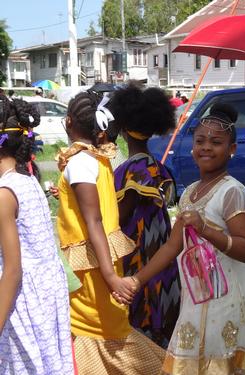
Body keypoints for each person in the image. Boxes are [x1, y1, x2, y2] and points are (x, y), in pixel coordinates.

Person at [116, 103, 245, 374]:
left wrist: (207, 230)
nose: (206, 147)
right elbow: (172, 246)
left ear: (232, 149)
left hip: (228, 298)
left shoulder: (232, 191)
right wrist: (136, 281)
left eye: (216, 142)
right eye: (200, 141)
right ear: (192, 147)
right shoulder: (190, 193)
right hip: (196, 297)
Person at [57, 91, 166, 374]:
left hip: (94, 264)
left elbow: (94, 220)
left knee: (98, 329)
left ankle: (156, 368)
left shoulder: (80, 162)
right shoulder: (97, 158)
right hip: (102, 258)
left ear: (69, 122)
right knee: (106, 328)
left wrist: (110, 278)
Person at [0, 94, 74, 374]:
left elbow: (13, 270)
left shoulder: (5, 195)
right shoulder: (27, 181)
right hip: (44, 300)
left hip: (19, 305)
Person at [109, 83, 181, 346]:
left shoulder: (135, 168)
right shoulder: (154, 164)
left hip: (141, 255)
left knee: (145, 333)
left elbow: (120, 215)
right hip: (159, 253)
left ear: (123, 128)